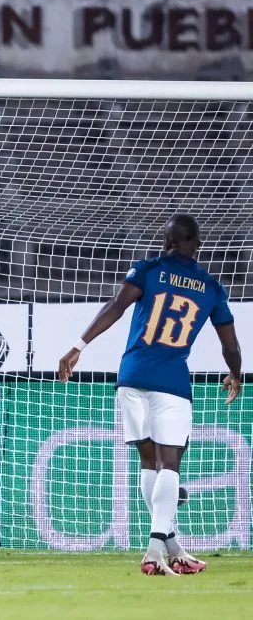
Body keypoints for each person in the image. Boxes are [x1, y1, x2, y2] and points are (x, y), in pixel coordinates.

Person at [58, 214, 242, 576]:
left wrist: (78, 346)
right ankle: (154, 550)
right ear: (197, 245)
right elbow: (230, 345)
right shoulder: (211, 287)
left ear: (166, 241)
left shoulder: (148, 270)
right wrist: (235, 374)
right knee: (169, 464)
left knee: (149, 463)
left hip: (131, 376)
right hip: (171, 381)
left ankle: (172, 548)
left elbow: (115, 306)